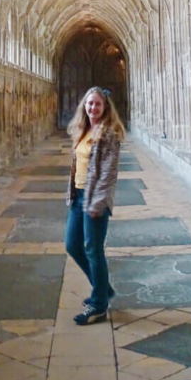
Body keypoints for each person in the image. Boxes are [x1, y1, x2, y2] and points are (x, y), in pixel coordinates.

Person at [65, 86, 125, 325]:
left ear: (105, 107)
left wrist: (97, 203)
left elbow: (108, 174)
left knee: (93, 249)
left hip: (94, 201)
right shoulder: (83, 130)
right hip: (78, 196)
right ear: (84, 106)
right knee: (72, 245)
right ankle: (103, 289)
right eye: (90, 103)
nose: (93, 107)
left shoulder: (108, 134)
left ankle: (98, 303)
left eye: (97, 104)